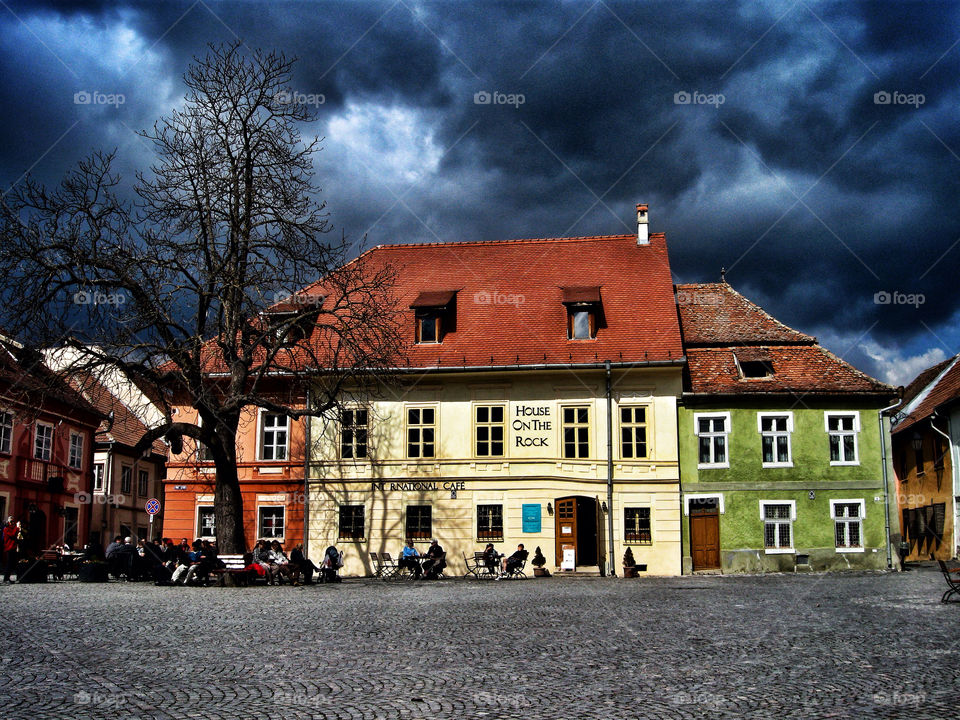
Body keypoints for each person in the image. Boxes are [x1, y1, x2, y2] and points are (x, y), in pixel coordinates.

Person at [3, 517, 19, 583]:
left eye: (13, 522)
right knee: (9, 564)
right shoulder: (6, 529)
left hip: (13, 547)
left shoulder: (12, 529)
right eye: (11, 522)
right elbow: (12, 534)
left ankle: (8, 578)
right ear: (9, 522)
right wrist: (17, 528)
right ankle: (5, 579)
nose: (13, 523)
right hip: (9, 548)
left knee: (12, 564)